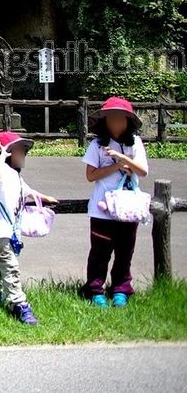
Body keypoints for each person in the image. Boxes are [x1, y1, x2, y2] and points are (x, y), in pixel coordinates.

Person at [81, 96, 149, 307]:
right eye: (112, 119)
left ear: (128, 121)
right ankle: (95, 290)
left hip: (128, 208)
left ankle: (121, 289)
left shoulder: (135, 143)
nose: (116, 123)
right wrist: (115, 166)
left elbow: (143, 171)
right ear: (105, 121)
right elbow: (90, 175)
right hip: (102, 209)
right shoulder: (97, 145)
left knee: (125, 252)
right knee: (100, 253)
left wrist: (124, 159)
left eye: (121, 119)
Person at [0, 131, 59, 325]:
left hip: (10, 231)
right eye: (18, 150)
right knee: (11, 268)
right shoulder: (1, 172)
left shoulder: (16, 177)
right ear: (7, 153)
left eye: (23, 151)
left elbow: (28, 192)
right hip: (2, 229)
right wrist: (0, 157)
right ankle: (19, 304)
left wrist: (44, 198)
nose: (23, 154)